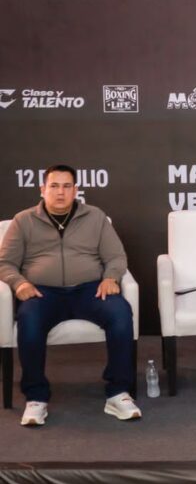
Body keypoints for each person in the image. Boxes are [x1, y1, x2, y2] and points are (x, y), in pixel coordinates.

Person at [0, 164, 139, 426]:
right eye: (54, 186)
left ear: (76, 190)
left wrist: (111, 277)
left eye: (66, 186)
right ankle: (36, 398)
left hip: (89, 289)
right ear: (42, 190)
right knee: (28, 322)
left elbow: (116, 256)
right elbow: (4, 263)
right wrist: (18, 284)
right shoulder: (23, 221)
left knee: (120, 313)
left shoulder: (95, 217)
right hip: (43, 293)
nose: (60, 192)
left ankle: (118, 392)